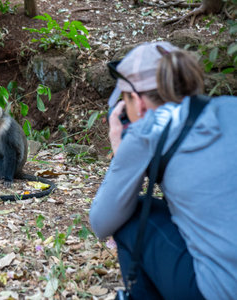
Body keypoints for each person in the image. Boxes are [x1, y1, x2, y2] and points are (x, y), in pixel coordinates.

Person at [89, 41, 237, 300]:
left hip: (220, 290)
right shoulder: (230, 106)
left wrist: (121, 151)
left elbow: (102, 222)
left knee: (131, 216)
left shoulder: (148, 131)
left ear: (137, 101)